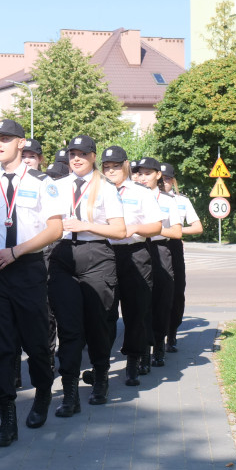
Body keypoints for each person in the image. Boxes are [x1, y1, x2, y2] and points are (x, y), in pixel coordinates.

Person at [0, 119, 63, 447]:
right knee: (0, 347)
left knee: (37, 344)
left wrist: (16, 251)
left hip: (27, 268)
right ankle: (6, 416)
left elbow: (55, 229)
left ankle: (42, 396)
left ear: (21, 143)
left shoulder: (41, 182)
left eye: (5, 138)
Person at [47, 135, 125, 412]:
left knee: (99, 324)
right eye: (72, 154)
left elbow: (119, 230)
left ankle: (101, 378)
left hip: (97, 257)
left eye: (82, 154)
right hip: (64, 256)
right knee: (68, 328)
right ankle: (70, 394)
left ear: (93, 157)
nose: (76, 159)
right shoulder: (56, 186)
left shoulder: (106, 187)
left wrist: (86, 224)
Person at [101, 146, 162, 386]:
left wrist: (134, 228)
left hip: (134, 253)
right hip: (104, 254)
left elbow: (156, 226)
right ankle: (101, 364)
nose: (111, 171)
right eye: (106, 167)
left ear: (126, 165)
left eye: (116, 166)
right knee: (104, 311)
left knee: (136, 311)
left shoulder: (141, 192)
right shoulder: (97, 192)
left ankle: (134, 361)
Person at [132, 157, 182, 368]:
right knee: (141, 302)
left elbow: (177, 232)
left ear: (158, 175)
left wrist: (153, 228)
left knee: (162, 300)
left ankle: (159, 345)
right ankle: (143, 350)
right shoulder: (129, 197)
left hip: (160, 249)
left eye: (147, 173)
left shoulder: (168, 200)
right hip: (136, 249)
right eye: (139, 173)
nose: (142, 178)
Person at [160, 163, 203, 352]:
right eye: (161, 179)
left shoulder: (182, 201)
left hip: (174, 246)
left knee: (177, 293)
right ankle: (156, 337)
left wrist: (176, 231)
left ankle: (172, 333)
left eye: (167, 179)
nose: (164, 183)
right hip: (154, 246)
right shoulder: (149, 198)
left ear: (173, 180)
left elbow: (197, 227)